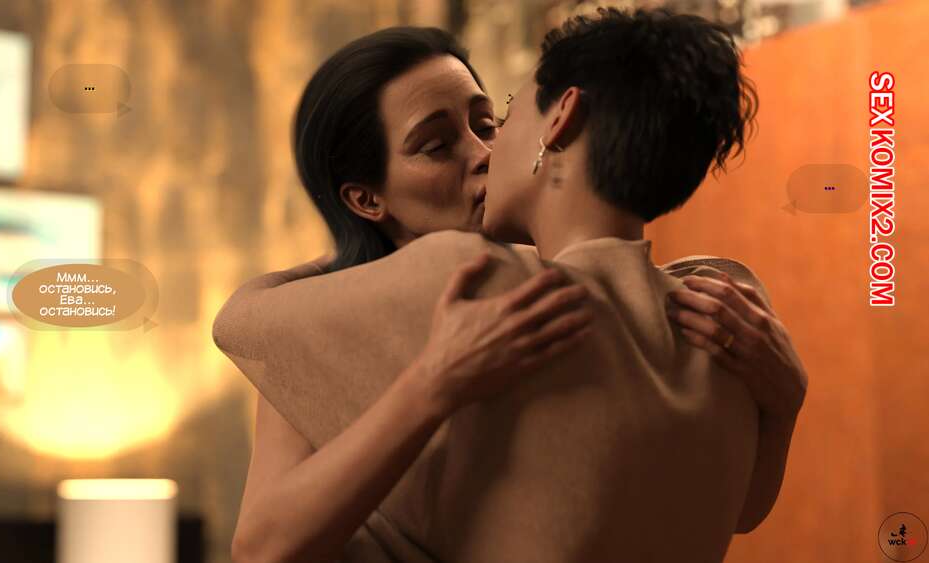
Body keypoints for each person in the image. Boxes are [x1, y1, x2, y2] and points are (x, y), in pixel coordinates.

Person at [214, 12, 806, 563]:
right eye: (436, 146)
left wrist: (782, 409)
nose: (484, 154)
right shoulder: (320, 328)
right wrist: (429, 384)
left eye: (488, 123)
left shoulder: (598, 303)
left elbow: (718, 505)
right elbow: (261, 549)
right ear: (368, 199)